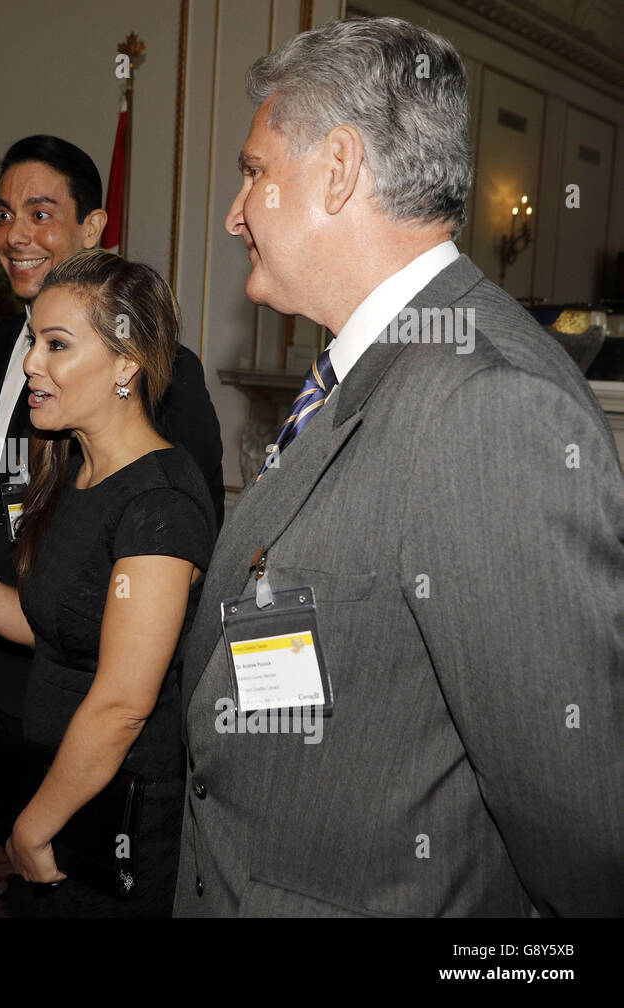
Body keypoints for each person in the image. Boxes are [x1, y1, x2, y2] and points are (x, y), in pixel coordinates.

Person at [177, 16, 624, 917]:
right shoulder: (380, 360)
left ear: (339, 169)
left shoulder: (486, 403)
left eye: (256, 171)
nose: (235, 211)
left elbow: (578, 818)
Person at [0, 134, 223, 917]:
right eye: (34, 345)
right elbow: (45, 615)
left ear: (126, 366)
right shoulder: (73, 470)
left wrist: (34, 826)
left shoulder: (159, 498)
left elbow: (122, 701)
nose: (30, 367)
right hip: (57, 792)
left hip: (107, 821)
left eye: (56, 347)